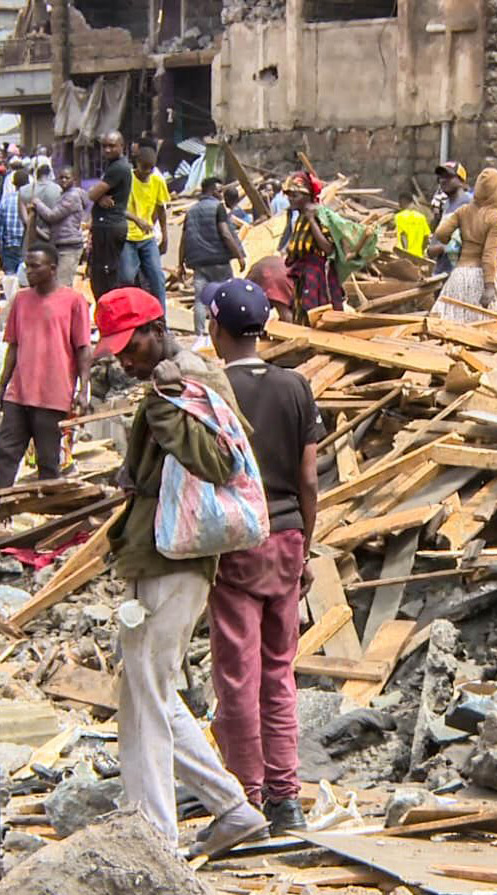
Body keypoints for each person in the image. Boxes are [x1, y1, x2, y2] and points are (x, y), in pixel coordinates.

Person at [91, 286, 269, 855]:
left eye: (130, 345)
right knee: (150, 688)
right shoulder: (171, 382)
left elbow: (218, 460)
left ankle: (154, 832)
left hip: (175, 560)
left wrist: (166, 411)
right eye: (117, 350)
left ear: (156, 327)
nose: (124, 359)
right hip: (156, 553)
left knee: (147, 689)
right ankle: (230, 809)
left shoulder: (180, 387)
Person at [200, 277, 323, 835]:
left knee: (237, 673)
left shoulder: (210, 391)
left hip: (235, 541)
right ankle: (286, 794)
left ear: (216, 328)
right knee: (280, 671)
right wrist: (307, 546)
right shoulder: (295, 386)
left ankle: (245, 794)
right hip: (288, 539)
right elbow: (308, 480)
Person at [0, 244, 92, 488]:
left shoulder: (74, 301)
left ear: (53, 269)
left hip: (52, 394)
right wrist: (2, 385)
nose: (29, 271)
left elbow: (83, 349)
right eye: (28, 266)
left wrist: (83, 390)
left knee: (48, 460)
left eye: (36, 266)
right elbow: (13, 346)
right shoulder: (22, 300)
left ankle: (47, 517)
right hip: (20, 391)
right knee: (6, 453)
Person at [428, 168, 497, 323]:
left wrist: (453, 241)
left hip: (459, 275)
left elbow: (441, 233)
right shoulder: (496, 217)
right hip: (481, 278)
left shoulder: (463, 211)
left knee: (450, 324)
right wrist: (489, 286)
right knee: (487, 327)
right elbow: (488, 255)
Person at [181, 176, 247, 341]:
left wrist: (180, 263)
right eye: (219, 191)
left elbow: (184, 239)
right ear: (210, 191)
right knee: (227, 295)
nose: (221, 194)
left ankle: (200, 335)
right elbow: (225, 233)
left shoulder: (191, 211)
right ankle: (228, 331)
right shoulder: (218, 208)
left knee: (200, 299)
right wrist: (239, 255)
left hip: (199, 264)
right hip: (219, 262)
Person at [281, 171, 344, 323]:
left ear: (308, 196)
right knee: (300, 311)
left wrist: (311, 220)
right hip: (300, 272)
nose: (290, 199)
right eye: (288, 195)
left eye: (294, 196)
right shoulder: (299, 215)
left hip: (314, 272)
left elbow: (328, 248)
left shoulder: (317, 215)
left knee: (313, 314)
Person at [121, 145, 171, 300]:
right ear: (137, 162)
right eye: (144, 168)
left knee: (157, 278)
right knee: (127, 278)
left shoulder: (157, 181)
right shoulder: (126, 179)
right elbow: (118, 208)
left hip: (147, 238)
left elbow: (161, 209)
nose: (147, 172)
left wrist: (164, 235)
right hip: (128, 237)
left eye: (151, 168)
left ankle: (162, 320)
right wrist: (138, 221)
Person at [88, 131, 133, 299]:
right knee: (101, 272)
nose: (107, 150)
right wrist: (100, 198)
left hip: (109, 225)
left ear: (122, 146)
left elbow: (91, 194)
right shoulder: (113, 166)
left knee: (105, 274)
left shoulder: (118, 168)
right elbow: (95, 195)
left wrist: (97, 196)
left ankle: (109, 310)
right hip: (107, 224)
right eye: (104, 146)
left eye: (111, 146)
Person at [32, 166, 87, 288]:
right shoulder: (64, 195)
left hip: (69, 246)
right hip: (61, 244)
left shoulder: (71, 196)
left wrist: (38, 203)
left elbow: (52, 216)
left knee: (62, 285)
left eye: (67, 178)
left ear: (74, 179)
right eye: (61, 178)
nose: (63, 180)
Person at [427, 161, 470, 276]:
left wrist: (444, 247)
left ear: (461, 180)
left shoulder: (468, 205)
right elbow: (432, 248)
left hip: (459, 274)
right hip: (442, 271)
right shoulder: (446, 206)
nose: (443, 180)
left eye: (449, 176)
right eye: (440, 177)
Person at [0, 169, 29, 275]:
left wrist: (0, 250)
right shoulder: (32, 200)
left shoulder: (5, 201)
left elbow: (0, 228)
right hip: (26, 245)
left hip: (9, 246)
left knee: (10, 280)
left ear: (14, 184)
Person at [394, 193, 431, 258]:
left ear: (402, 202)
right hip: (418, 256)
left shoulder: (398, 217)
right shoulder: (421, 217)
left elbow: (403, 236)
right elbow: (426, 237)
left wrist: (405, 252)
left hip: (403, 255)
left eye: (399, 202)